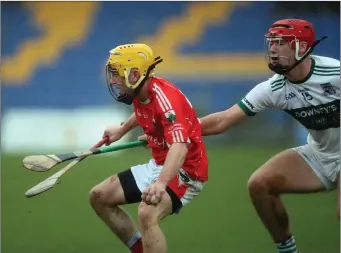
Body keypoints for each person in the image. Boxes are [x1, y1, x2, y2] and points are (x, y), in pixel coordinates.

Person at [200, 19, 340, 253]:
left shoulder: (335, 73)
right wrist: (172, 132)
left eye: (281, 42)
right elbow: (223, 120)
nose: (273, 48)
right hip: (320, 154)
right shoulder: (274, 88)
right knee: (259, 184)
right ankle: (288, 250)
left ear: (302, 48)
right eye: (272, 42)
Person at [89, 43, 208, 253]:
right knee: (99, 196)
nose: (113, 80)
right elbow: (144, 110)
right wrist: (122, 130)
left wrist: (161, 184)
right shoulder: (141, 92)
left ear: (134, 75)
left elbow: (180, 148)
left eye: (117, 74)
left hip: (186, 171)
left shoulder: (165, 100)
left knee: (147, 213)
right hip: (160, 164)